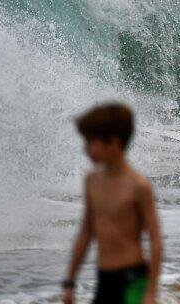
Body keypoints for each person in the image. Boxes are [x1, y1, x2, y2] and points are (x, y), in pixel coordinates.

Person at [63, 103, 162, 304]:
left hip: (132, 279)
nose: (85, 148)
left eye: (91, 142)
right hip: (104, 277)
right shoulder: (92, 181)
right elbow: (86, 232)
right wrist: (69, 282)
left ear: (113, 143)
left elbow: (155, 239)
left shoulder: (138, 186)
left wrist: (151, 292)